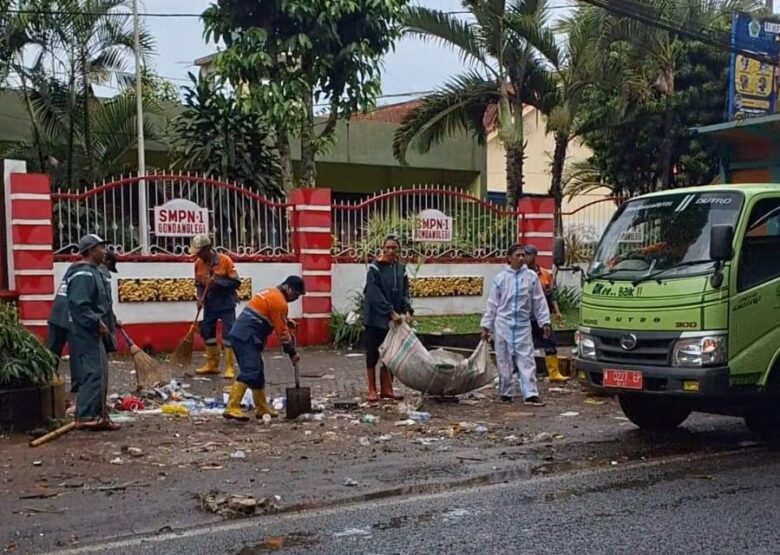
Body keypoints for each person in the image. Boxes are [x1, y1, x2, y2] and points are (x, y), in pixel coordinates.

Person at [223, 276, 306, 421]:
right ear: (288, 288)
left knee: (258, 373)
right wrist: (292, 352)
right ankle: (232, 406)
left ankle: (261, 408)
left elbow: (268, 314)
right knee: (251, 370)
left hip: (242, 335)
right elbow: (283, 334)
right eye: (296, 294)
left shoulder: (271, 293)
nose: (296, 298)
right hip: (247, 337)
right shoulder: (279, 302)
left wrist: (285, 321)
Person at [480, 244, 551, 406]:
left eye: (523, 255)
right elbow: (492, 304)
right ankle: (506, 393)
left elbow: (539, 301)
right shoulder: (500, 279)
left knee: (526, 359)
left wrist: (544, 322)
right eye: (517, 255)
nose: (521, 258)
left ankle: (531, 394)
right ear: (509, 258)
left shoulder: (531, 277)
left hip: (522, 325)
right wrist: (486, 326)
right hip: (503, 324)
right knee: (504, 359)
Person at [47, 250, 121, 393]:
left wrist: (113, 319)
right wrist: (107, 321)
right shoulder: (99, 272)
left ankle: (44, 382)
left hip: (57, 314)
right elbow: (103, 302)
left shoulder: (76, 267)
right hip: (75, 317)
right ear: (106, 261)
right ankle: (79, 388)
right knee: (78, 354)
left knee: (51, 352)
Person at [66, 234, 119, 431]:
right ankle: (86, 414)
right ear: (90, 251)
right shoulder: (83, 274)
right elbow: (80, 305)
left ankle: (98, 413)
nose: (105, 251)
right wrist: (95, 321)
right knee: (93, 372)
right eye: (100, 247)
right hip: (85, 331)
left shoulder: (93, 271)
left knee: (100, 372)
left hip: (93, 330)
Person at [362, 234, 412, 402]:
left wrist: (407, 309)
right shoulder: (374, 268)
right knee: (372, 354)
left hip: (393, 320)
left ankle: (387, 389)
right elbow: (374, 294)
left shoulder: (401, 269)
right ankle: (371, 389)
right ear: (382, 248)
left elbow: (405, 291)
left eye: (394, 248)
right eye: (388, 247)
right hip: (375, 318)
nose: (390, 250)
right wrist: (390, 311)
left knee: (390, 354)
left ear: (399, 250)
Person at [191, 234, 241, 379]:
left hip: (226, 303)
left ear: (207, 248)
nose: (198, 255)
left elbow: (236, 282)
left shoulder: (225, 260)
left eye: (200, 252)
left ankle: (229, 367)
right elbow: (199, 284)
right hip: (210, 304)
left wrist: (217, 281)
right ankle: (212, 364)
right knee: (207, 331)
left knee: (228, 335)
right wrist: (200, 298)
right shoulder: (198, 264)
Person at [524, 245, 568, 383]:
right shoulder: (520, 274)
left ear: (534, 256)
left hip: (541, 316)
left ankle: (554, 373)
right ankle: (525, 373)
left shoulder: (545, 274)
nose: (525, 257)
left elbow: (550, 296)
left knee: (550, 342)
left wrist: (557, 312)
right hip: (526, 317)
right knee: (525, 346)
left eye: (528, 254)